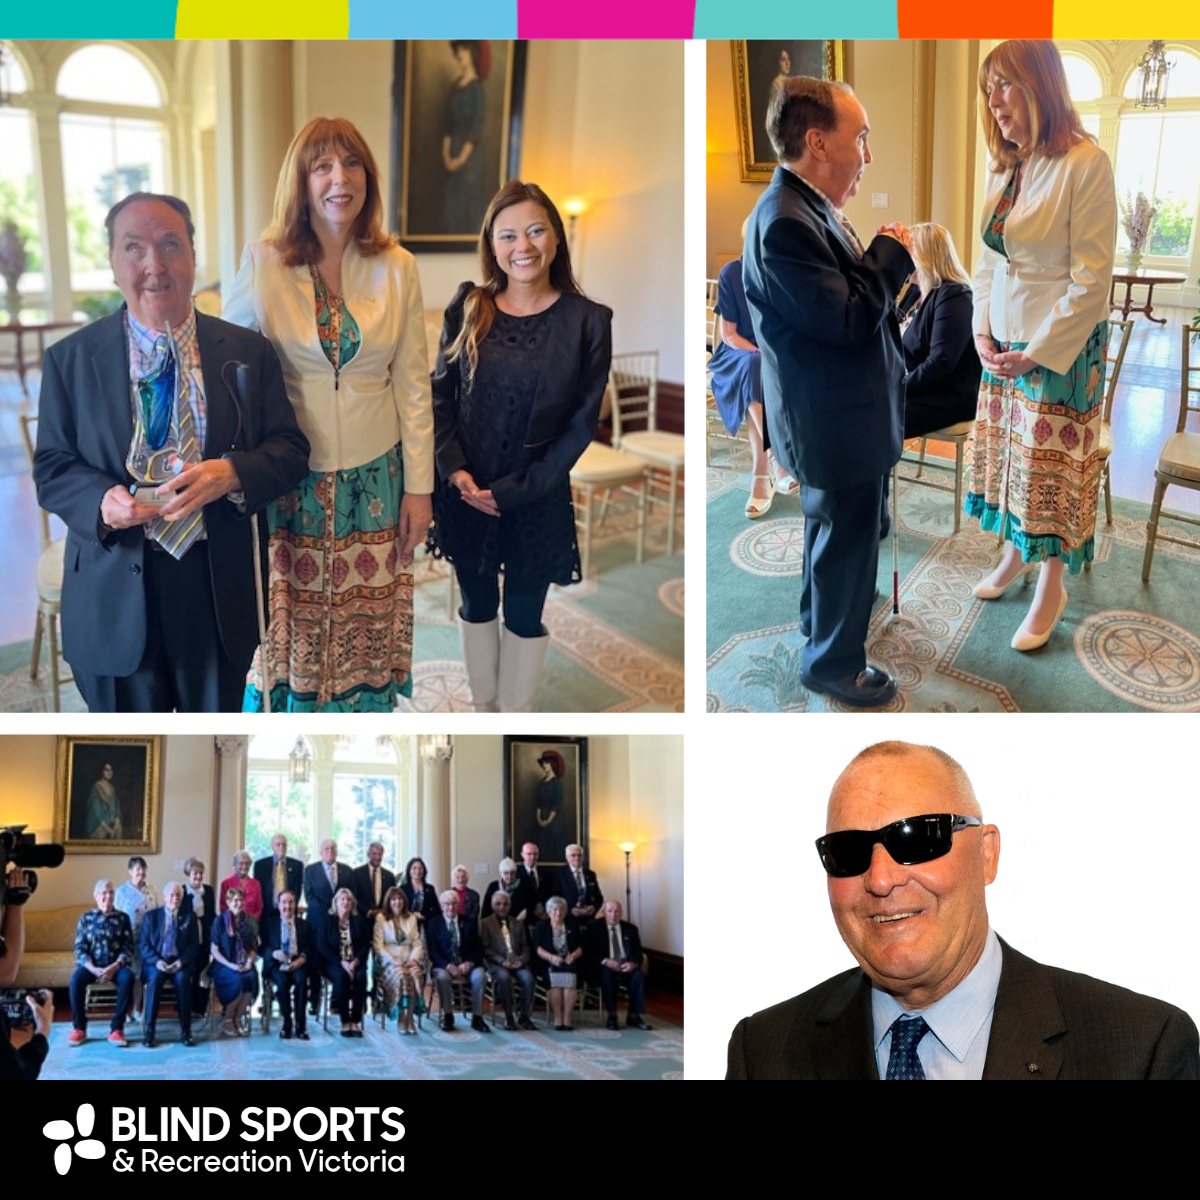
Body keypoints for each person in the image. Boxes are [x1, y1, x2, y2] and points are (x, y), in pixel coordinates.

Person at [727, 741, 1200, 1079]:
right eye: (848, 852)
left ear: (987, 853)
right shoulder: (761, 1050)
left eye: (916, 839)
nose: (881, 878)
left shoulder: (1143, 1049)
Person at [33, 192, 310, 713]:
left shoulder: (247, 352)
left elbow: (290, 450)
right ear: (114, 264)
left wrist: (232, 473)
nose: (154, 266)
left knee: (212, 742)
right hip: (113, 585)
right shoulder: (70, 361)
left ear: (193, 257)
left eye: (170, 246)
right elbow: (51, 467)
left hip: (214, 584)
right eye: (134, 249)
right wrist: (101, 501)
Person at [224, 116, 434, 711]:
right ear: (302, 181)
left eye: (352, 164)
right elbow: (227, 366)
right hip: (293, 480)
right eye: (322, 166)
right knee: (293, 620)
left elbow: (414, 385)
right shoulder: (264, 262)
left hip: (378, 477)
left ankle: (365, 711)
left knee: (369, 615)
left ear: (368, 177)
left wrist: (420, 489)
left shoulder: (398, 266)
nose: (340, 179)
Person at [742, 78, 913, 708]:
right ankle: (835, 666)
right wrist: (892, 254)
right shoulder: (785, 221)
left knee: (832, 530)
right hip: (834, 420)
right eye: (860, 137)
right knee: (844, 540)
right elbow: (845, 319)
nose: (868, 154)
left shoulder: (806, 208)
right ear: (819, 141)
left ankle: (820, 626)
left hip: (836, 413)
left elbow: (844, 305)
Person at [429, 180, 613, 712]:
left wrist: (514, 491)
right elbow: (439, 395)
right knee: (477, 601)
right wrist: (454, 470)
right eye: (507, 235)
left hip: (536, 498)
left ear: (555, 238)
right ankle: (484, 706)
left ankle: (513, 711)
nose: (523, 246)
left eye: (535, 230)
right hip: (466, 493)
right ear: (492, 244)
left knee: (525, 613)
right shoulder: (468, 305)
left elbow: (581, 425)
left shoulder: (587, 321)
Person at [966, 40, 1117, 652]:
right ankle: (1013, 554)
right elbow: (986, 261)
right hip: (1000, 342)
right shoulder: (1004, 165)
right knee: (1009, 460)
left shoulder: (1087, 162)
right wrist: (980, 329)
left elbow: (1092, 278)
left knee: (1047, 472)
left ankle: (1051, 580)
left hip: (1058, 349)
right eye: (989, 88)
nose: (995, 100)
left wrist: (1035, 349)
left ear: (1041, 86)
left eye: (1005, 84)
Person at [708, 219, 798, 518]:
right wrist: (760, 354)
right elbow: (729, 335)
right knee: (754, 366)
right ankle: (777, 457)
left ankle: (762, 477)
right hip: (735, 355)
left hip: (770, 359)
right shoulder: (731, 273)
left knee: (758, 373)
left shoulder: (779, 275)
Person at [899, 224, 982, 438]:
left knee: (877, 414)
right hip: (923, 387)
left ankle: (872, 468)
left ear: (924, 257)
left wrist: (898, 387)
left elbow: (940, 363)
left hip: (947, 395)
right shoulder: (917, 291)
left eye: (907, 252)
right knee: (863, 404)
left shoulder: (954, 294)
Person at [68, 879, 136, 1047]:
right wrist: (93, 968)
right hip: (92, 966)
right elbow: (79, 948)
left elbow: (128, 948)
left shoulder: (123, 918)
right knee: (75, 980)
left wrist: (114, 967)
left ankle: (116, 1029)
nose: (108, 897)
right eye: (104, 893)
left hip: (116, 966)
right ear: (96, 896)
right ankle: (79, 1028)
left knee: (128, 978)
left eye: (111, 893)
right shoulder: (86, 918)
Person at [138, 880, 199, 1048]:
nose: (175, 899)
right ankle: (149, 1032)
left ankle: (186, 1032)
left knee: (182, 980)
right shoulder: (151, 917)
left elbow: (194, 945)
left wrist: (181, 962)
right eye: (171, 895)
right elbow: (143, 945)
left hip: (179, 962)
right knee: (155, 979)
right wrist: (157, 962)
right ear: (164, 897)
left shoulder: (189, 916)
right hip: (156, 961)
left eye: (178, 895)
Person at [426, 890, 489, 1033]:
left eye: (454, 904)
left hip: (467, 965)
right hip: (443, 965)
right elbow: (432, 952)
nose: (450, 907)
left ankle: (477, 1017)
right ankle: (448, 1016)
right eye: (447, 904)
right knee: (442, 978)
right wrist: (448, 966)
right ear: (441, 906)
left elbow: (478, 949)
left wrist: (469, 963)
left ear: (458, 905)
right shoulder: (433, 924)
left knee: (481, 976)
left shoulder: (469, 922)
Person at [587, 900, 651, 1031]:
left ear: (621, 913)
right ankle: (612, 1015)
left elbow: (638, 952)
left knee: (638, 975)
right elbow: (589, 951)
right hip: (604, 967)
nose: (613, 915)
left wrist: (633, 963)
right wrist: (605, 961)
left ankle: (633, 1016)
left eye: (617, 911)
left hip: (625, 966)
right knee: (607, 973)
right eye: (609, 911)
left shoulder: (631, 929)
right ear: (604, 913)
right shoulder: (594, 926)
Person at [479, 890, 536, 1031]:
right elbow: (485, 949)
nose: (502, 907)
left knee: (528, 979)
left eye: (505, 904)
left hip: (517, 962)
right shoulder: (485, 923)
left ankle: (524, 1016)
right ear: (492, 906)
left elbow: (526, 948)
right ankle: (508, 1016)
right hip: (497, 963)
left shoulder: (518, 923)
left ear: (509, 906)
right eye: (498, 904)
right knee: (504, 978)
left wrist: (521, 961)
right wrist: (501, 961)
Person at [373, 886, 425, 1034]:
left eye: (400, 898)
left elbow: (416, 943)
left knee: (415, 974)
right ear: (389, 901)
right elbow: (378, 946)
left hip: (408, 960)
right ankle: (402, 1018)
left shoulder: (411, 918)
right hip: (389, 962)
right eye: (394, 899)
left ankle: (410, 1017)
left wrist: (413, 959)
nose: (397, 902)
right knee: (402, 976)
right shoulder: (381, 918)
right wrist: (392, 961)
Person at [320, 887, 370, 1036]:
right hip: (333, 963)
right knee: (342, 977)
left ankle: (355, 1020)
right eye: (342, 899)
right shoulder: (327, 921)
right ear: (336, 902)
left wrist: (355, 962)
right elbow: (322, 946)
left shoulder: (359, 921)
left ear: (352, 903)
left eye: (348, 899)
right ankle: (344, 1020)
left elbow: (365, 945)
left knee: (361, 977)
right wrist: (341, 962)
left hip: (355, 962)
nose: (345, 902)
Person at [262, 889, 312, 1040]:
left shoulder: (304, 925)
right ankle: (287, 1023)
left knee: (301, 982)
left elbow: (310, 947)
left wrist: (301, 960)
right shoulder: (269, 925)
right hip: (277, 964)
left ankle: (301, 1025)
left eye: (291, 902)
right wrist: (273, 953)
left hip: (297, 962)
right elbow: (261, 947)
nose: (287, 906)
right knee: (282, 983)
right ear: (278, 905)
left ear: (295, 905)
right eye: (284, 902)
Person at [210, 885, 259, 1037]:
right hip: (224, 964)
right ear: (228, 902)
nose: (239, 904)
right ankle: (228, 1019)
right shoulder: (220, 921)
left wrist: (250, 962)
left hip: (244, 963)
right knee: (237, 980)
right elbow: (214, 950)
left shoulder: (249, 921)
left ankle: (238, 1018)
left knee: (251, 977)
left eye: (241, 900)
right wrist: (231, 965)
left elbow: (253, 947)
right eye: (235, 901)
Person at [532, 896, 584, 1031]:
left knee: (570, 982)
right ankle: (557, 1017)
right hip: (548, 963)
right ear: (548, 911)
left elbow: (580, 947)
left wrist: (573, 956)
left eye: (561, 910)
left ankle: (567, 1018)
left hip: (569, 963)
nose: (558, 913)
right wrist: (551, 957)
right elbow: (537, 948)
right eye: (554, 910)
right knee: (554, 981)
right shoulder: (541, 926)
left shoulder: (572, 925)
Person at [253, 834, 304, 913]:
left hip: (288, 911)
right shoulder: (260, 865)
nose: (281, 847)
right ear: (272, 847)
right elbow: (258, 889)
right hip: (267, 913)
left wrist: (291, 905)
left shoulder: (297, 865)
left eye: (284, 844)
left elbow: (298, 889)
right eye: (278, 844)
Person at [219, 849, 264, 921]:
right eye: (241, 863)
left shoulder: (256, 884)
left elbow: (259, 907)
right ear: (235, 865)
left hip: (251, 925)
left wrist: (250, 922)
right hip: (231, 925)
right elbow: (223, 907)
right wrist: (234, 921)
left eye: (247, 863)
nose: (244, 866)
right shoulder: (226, 884)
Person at [85, 763, 122, 839]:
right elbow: (95, 812)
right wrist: (108, 829)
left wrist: (117, 821)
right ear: (101, 771)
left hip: (113, 825)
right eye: (106, 770)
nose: (110, 772)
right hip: (100, 826)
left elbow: (116, 806)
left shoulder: (112, 787)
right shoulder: (96, 788)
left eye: (111, 770)